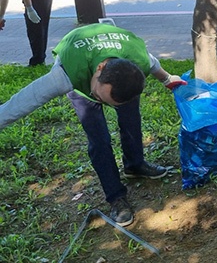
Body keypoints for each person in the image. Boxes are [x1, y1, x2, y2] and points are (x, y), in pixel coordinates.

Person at [0, 23, 186, 226]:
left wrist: (168, 79)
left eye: (110, 102)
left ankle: (135, 165)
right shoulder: (66, 74)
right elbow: (24, 100)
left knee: (131, 119)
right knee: (99, 140)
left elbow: (154, 64)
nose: (102, 102)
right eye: (100, 96)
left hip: (118, 70)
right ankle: (116, 197)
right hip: (80, 65)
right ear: (100, 69)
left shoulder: (137, 60)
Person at [0, 0, 52, 66]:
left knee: (36, 32)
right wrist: (0, 16)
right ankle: (38, 61)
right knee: (34, 31)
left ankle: (38, 63)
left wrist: (30, 8)